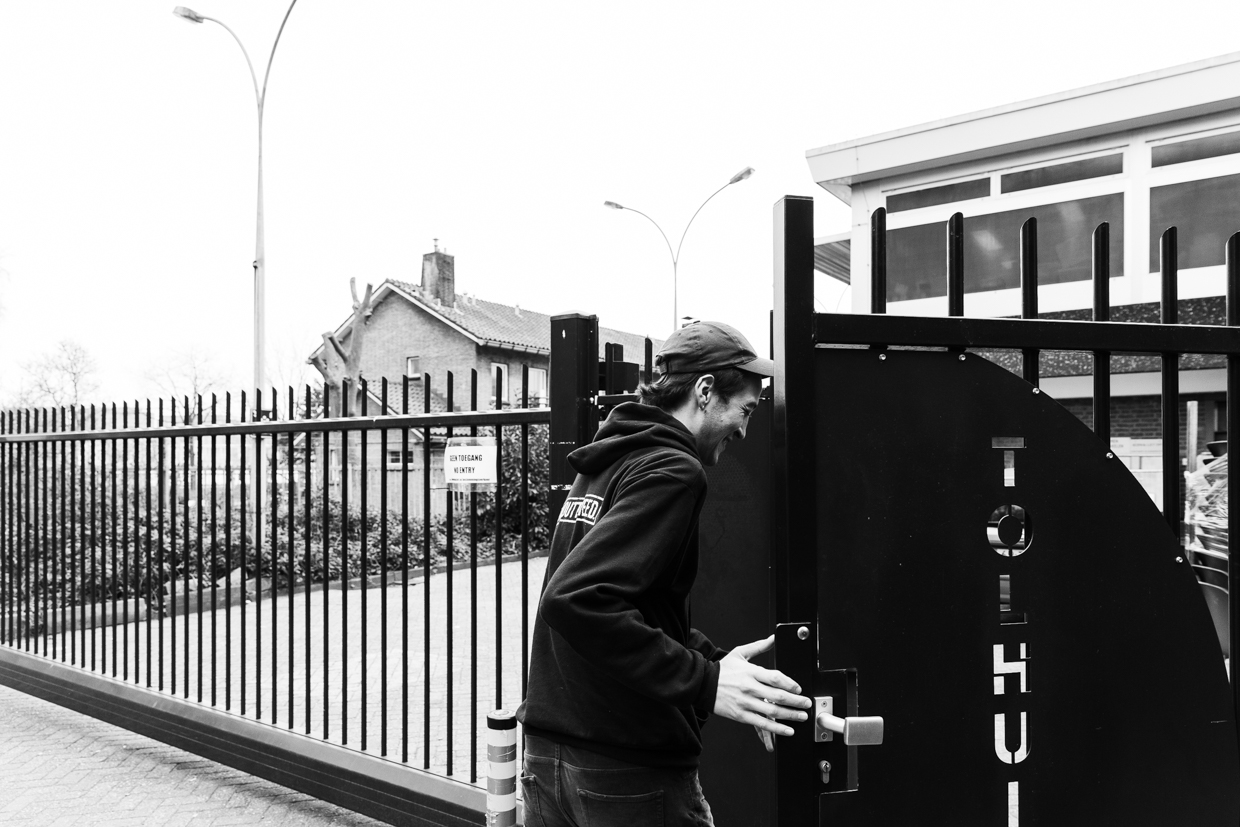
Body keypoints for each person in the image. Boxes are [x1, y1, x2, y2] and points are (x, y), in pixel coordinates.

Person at [516, 321, 812, 826]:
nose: (744, 429)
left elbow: (625, 604)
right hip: (625, 773)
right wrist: (704, 682)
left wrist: (708, 661)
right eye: (745, 409)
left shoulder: (608, 461)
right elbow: (575, 599)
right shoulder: (674, 470)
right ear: (704, 391)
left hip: (549, 760)